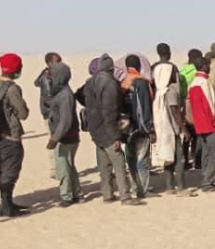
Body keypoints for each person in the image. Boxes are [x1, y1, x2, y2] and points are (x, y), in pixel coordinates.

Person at [85, 54, 138, 204]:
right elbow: (110, 111)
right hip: (107, 130)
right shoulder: (110, 83)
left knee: (104, 165)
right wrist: (115, 136)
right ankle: (125, 196)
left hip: (95, 129)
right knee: (119, 162)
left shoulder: (90, 83)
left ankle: (107, 194)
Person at [0, 54, 31, 217]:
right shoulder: (12, 88)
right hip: (11, 134)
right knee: (11, 169)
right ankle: (6, 206)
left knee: (2, 167)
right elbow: (23, 113)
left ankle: (7, 202)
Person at [45, 61, 82, 207]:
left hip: (66, 138)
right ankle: (76, 193)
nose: (50, 78)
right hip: (67, 136)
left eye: (52, 75)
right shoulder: (61, 92)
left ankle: (67, 196)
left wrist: (55, 138)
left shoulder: (65, 95)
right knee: (69, 165)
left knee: (63, 167)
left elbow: (66, 121)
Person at [153, 63, 192, 195]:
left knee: (168, 158)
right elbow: (174, 110)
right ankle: (181, 187)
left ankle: (170, 186)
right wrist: (184, 129)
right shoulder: (170, 91)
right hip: (172, 130)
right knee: (179, 159)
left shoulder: (159, 91)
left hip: (164, 129)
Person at [188, 57, 215, 192]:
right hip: (209, 125)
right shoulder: (204, 82)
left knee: (206, 154)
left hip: (200, 125)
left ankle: (207, 178)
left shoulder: (192, 83)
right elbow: (210, 106)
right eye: (208, 65)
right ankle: (207, 182)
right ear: (204, 66)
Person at [121, 55, 155, 198]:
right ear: (139, 66)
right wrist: (149, 129)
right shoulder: (140, 83)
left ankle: (135, 187)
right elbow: (144, 108)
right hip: (139, 129)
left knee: (131, 160)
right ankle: (143, 190)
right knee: (142, 160)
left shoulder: (122, 83)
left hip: (125, 128)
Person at [33, 52, 62, 178]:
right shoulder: (47, 77)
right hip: (51, 113)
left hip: (51, 112)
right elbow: (49, 97)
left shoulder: (50, 74)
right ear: (50, 63)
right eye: (58, 61)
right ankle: (54, 169)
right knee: (54, 139)